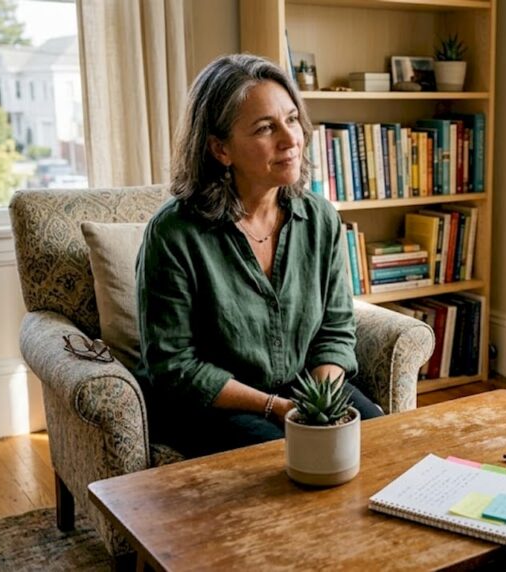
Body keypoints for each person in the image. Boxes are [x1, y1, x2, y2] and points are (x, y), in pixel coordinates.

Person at [136, 54, 383, 458]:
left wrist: (318, 403)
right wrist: (275, 407)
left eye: (291, 119)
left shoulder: (319, 218)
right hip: (212, 406)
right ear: (220, 149)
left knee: (385, 444)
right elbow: (174, 366)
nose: (290, 139)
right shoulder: (174, 233)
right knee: (283, 461)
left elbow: (336, 329)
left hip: (303, 393)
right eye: (266, 128)